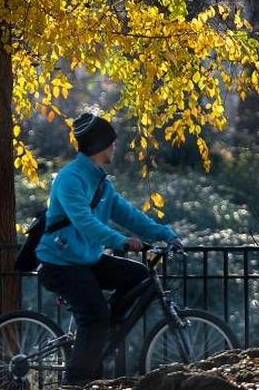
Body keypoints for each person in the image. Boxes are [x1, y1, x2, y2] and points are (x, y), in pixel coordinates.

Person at [35, 112, 184, 385]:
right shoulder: (69, 179)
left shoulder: (102, 183)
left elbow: (130, 216)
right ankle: (75, 383)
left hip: (86, 259)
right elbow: (84, 222)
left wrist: (167, 235)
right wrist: (121, 241)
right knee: (94, 317)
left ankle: (104, 330)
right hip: (61, 263)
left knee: (139, 275)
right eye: (111, 143)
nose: (114, 148)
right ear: (98, 145)